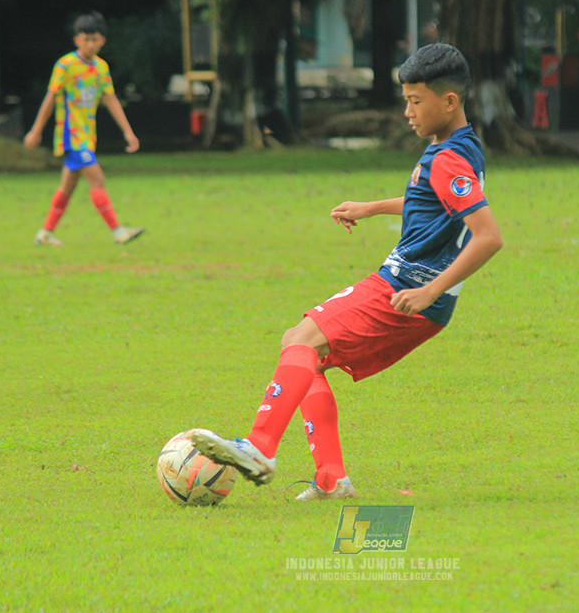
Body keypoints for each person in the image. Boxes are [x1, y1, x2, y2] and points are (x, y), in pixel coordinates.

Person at [190, 43, 503, 500]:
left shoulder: (447, 158)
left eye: (416, 101)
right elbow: (436, 201)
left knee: (301, 341)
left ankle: (259, 447)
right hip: (405, 286)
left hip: (407, 289)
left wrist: (430, 291)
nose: (407, 112)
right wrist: (372, 207)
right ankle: (331, 479)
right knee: (300, 347)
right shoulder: (459, 146)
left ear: (449, 101)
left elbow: (488, 236)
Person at [24, 11, 144, 246]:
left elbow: (110, 99)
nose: (90, 44)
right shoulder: (65, 65)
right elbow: (50, 97)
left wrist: (128, 131)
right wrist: (36, 130)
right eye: (86, 39)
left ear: (102, 41)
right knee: (97, 180)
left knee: (67, 187)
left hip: (87, 137)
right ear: (77, 40)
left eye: (94, 39)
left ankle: (45, 233)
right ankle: (118, 232)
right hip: (71, 136)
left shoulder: (101, 67)